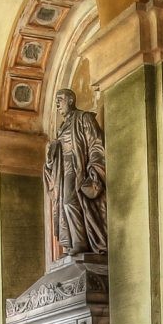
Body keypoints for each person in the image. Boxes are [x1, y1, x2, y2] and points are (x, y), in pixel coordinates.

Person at [44, 89, 107, 256]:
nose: (57, 104)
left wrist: (94, 169)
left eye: (60, 99)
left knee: (69, 202)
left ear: (71, 100)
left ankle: (80, 241)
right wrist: (51, 155)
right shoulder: (62, 127)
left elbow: (95, 144)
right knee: (62, 205)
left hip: (76, 166)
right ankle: (71, 242)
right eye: (56, 101)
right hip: (63, 170)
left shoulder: (84, 118)